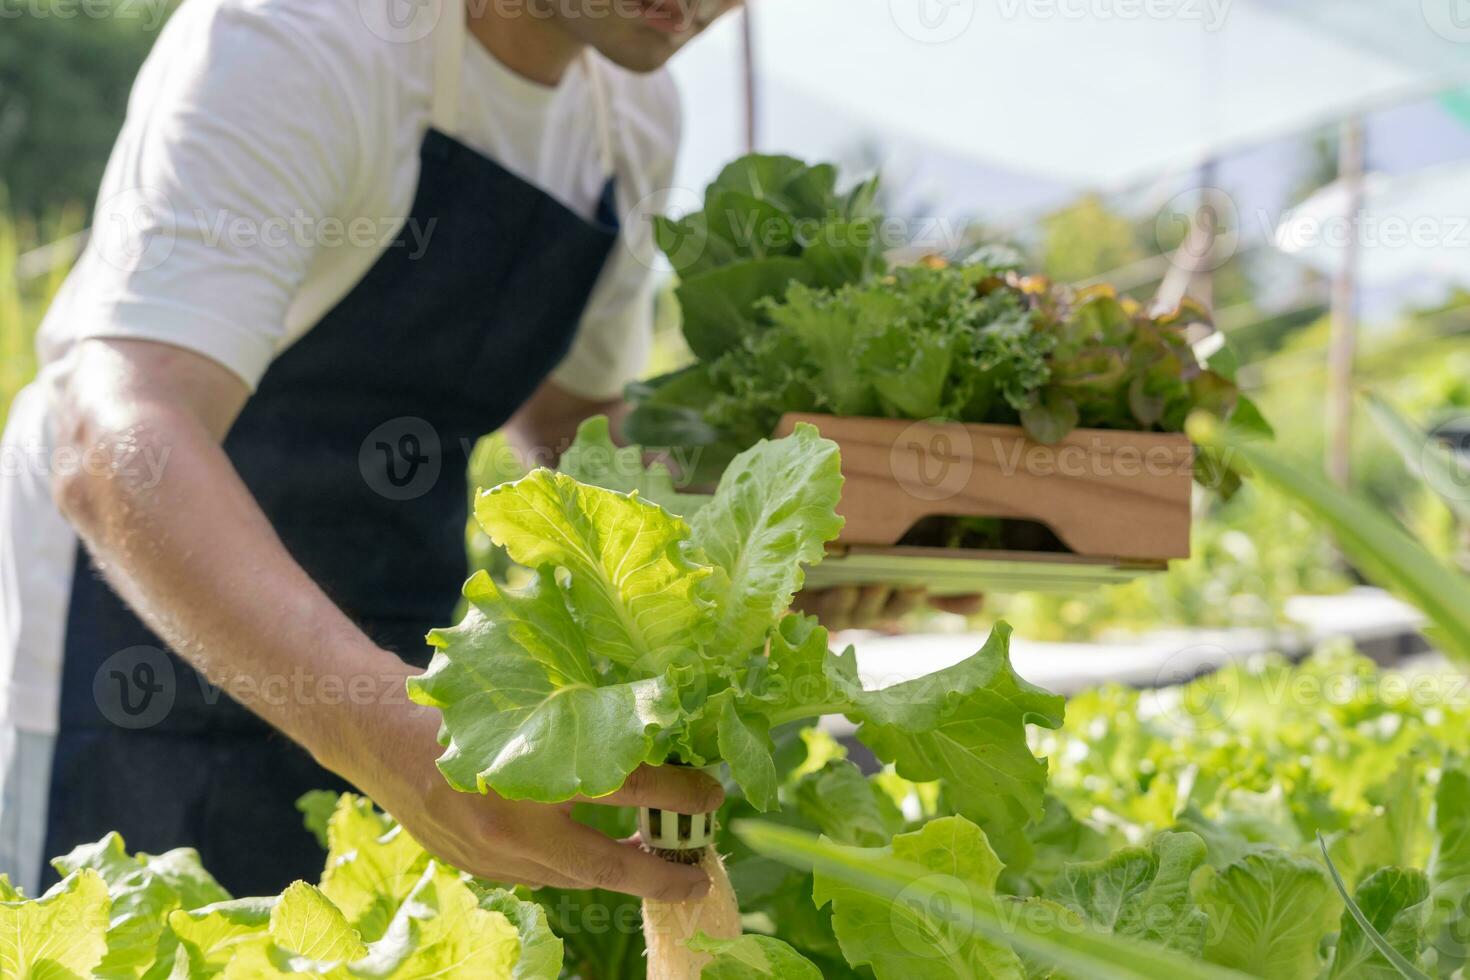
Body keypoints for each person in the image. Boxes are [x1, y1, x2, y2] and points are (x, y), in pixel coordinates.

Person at [0, 0, 973, 901]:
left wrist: (770, 569)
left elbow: (574, 432)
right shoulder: (301, 36)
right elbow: (119, 435)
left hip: (402, 641)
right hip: (141, 649)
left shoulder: (630, 113)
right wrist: (408, 750)